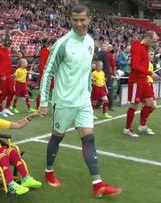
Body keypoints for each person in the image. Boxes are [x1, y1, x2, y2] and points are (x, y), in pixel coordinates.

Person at [38, 5, 121, 197]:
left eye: (82, 19)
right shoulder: (62, 44)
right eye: (75, 20)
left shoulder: (91, 41)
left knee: (89, 139)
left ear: (89, 19)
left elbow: (85, 73)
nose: (78, 23)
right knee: (57, 137)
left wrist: (89, 93)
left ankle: (97, 183)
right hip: (64, 102)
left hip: (83, 101)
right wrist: (44, 101)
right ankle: (48, 171)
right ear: (71, 20)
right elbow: (47, 72)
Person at [124, 31, 159, 137]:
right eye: (153, 41)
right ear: (147, 37)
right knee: (134, 105)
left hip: (144, 80)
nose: (153, 44)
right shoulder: (137, 45)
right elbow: (134, 66)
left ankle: (142, 126)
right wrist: (150, 73)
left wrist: (149, 74)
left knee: (151, 103)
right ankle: (127, 128)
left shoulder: (146, 48)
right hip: (136, 81)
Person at [0, 37, 15, 118]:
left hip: (8, 76)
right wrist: (1, 75)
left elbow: (9, 63)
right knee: (1, 93)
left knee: (12, 91)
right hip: (2, 76)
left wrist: (13, 72)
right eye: (8, 42)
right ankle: (1, 110)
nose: (9, 44)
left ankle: (7, 108)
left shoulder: (7, 51)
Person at [36, 38, 56, 109]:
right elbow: (42, 65)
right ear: (51, 44)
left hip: (52, 75)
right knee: (43, 92)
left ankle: (55, 108)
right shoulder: (44, 51)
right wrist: (45, 75)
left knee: (55, 91)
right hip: (45, 75)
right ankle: (38, 108)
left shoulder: (53, 52)